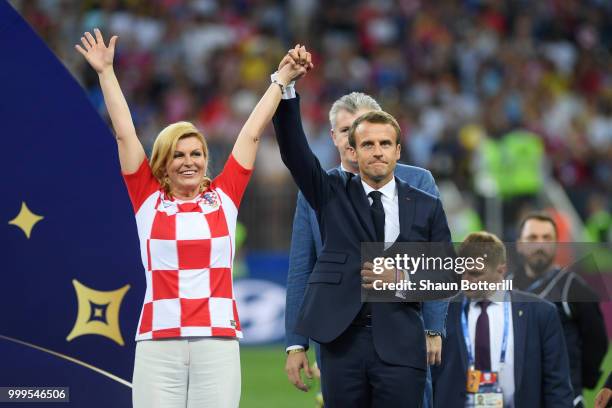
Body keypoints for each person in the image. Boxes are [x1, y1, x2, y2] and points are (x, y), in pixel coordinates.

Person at [75, 30, 306, 408]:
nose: (189, 162)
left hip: (217, 341)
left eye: (196, 153)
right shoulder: (147, 199)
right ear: (164, 164)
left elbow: (250, 135)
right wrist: (106, 73)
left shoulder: (224, 198)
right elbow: (124, 135)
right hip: (156, 341)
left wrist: (280, 81)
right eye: (179, 155)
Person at [273, 48, 456, 407]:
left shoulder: (423, 195)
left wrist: (427, 320)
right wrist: (286, 87)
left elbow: (444, 270)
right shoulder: (329, 191)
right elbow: (301, 268)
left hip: (403, 334)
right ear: (348, 145)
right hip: (341, 340)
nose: (374, 150)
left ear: (398, 150)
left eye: (383, 142)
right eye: (361, 140)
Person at [431, 231, 574, 408]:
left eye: (475, 273)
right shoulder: (441, 313)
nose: (465, 280)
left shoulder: (540, 313)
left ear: (501, 269)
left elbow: (557, 385)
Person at [512, 212, 608, 406]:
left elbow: (596, 340)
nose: (540, 244)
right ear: (519, 244)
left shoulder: (573, 287)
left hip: (564, 398)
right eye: (532, 237)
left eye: (546, 238)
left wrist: (581, 380)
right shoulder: (504, 288)